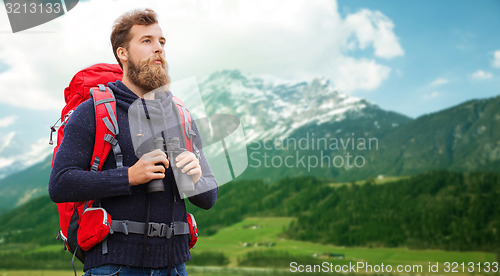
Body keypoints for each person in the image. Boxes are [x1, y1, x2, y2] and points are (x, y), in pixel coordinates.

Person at [49, 8, 218, 276]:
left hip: (175, 267)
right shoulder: (94, 111)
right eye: (147, 41)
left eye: (162, 42)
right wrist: (129, 176)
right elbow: (60, 184)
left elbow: (209, 197)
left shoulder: (180, 116)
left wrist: (195, 177)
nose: (158, 49)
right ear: (122, 53)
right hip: (114, 267)